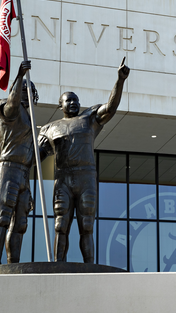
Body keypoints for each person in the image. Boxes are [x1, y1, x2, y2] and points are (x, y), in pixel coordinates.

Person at [38, 59, 130, 262]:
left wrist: (120, 81)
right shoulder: (50, 128)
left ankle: (89, 266)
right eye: (69, 100)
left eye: (76, 100)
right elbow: (36, 158)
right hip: (63, 180)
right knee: (61, 226)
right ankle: (57, 265)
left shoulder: (89, 119)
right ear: (60, 105)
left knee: (86, 226)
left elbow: (110, 108)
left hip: (85, 178)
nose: (73, 103)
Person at [0, 60, 38, 264]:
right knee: (2, 220)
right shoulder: (8, 110)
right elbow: (12, 104)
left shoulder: (31, 120)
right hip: (8, 169)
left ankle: (13, 264)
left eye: (30, 89)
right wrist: (19, 77)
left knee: (20, 224)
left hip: (23, 174)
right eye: (23, 89)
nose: (27, 93)